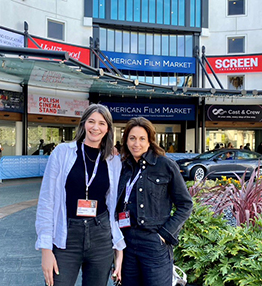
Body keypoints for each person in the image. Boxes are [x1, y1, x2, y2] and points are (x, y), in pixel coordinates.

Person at [35, 104, 125, 286]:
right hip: (67, 236)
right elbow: (47, 200)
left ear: (108, 128)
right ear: (83, 124)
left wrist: (118, 247)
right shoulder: (62, 153)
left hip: (100, 234)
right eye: (91, 121)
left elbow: (113, 205)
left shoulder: (113, 160)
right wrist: (45, 248)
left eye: (101, 123)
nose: (95, 127)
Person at [116, 117, 193, 286]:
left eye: (142, 138)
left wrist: (165, 235)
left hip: (154, 242)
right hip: (126, 243)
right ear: (126, 141)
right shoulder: (122, 167)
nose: (137, 143)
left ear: (150, 141)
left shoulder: (165, 165)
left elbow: (185, 204)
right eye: (132, 138)